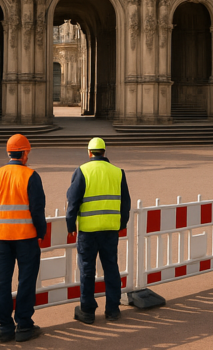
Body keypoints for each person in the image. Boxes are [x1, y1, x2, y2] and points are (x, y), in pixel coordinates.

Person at [0, 134, 46, 343]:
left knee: (3, 283)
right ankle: (24, 325)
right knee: (26, 281)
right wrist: (41, 233)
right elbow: (37, 209)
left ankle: (5, 327)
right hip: (26, 237)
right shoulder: (31, 175)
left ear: (9, 152)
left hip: (2, 237)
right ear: (25, 153)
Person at [66, 137, 131, 324]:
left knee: (87, 269)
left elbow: (73, 200)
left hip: (88, 230)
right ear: (104, 151)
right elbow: (125, 202)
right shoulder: (118, 172)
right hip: (110, 229)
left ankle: (87, 311)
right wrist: (122, 224)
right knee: (111, 268)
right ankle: (113, 309)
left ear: (89, 152)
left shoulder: (82, 171)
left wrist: (70, 224)